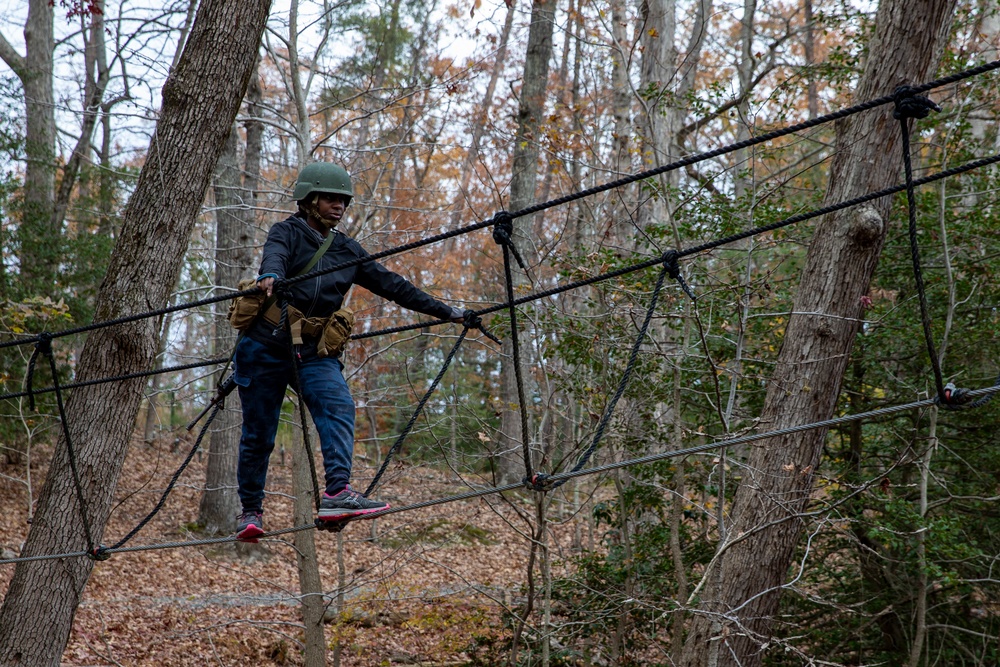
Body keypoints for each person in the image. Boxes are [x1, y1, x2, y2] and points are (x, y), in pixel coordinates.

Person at [233, 162, 464, 541]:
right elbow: (273, 256)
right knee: (259, 434)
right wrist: (269, 275)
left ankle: (338, 493)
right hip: (264, 346)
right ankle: (250, 511)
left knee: (338, 405)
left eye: (343, 200)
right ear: (309, 200)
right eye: (330, 199)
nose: (338, 206)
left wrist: (449, 312)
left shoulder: (346, 250)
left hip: (313, 351)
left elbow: (394, 286)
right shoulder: (286, 233)